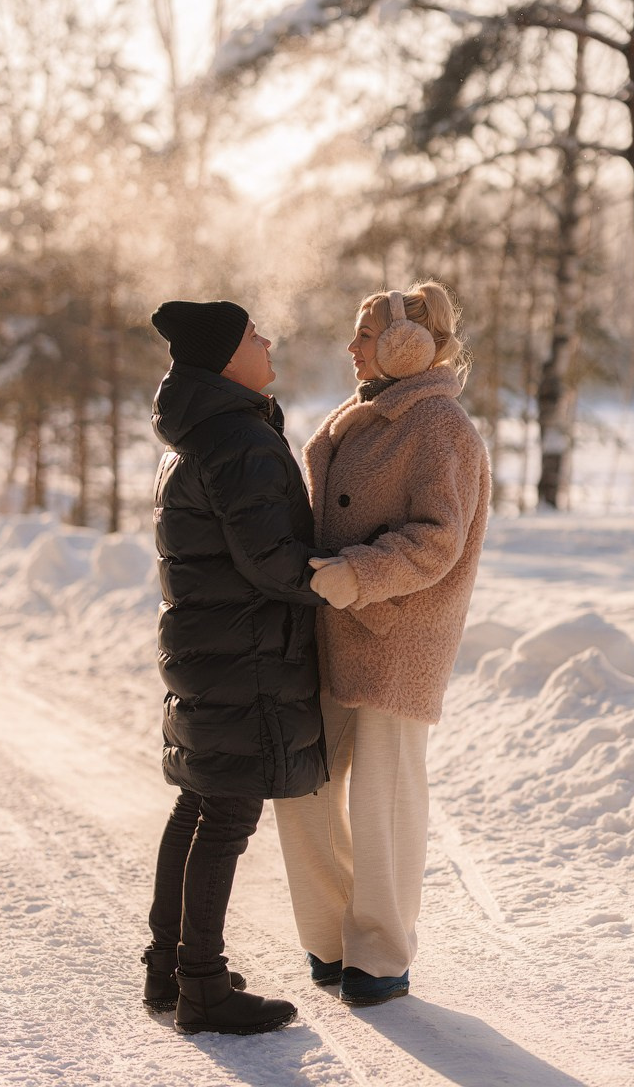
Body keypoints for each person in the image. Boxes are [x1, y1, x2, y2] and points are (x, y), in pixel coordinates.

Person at [274, 280, 490, 1006]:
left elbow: (439, 540)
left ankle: (381, 954)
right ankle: (334, 938)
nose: (352, 347)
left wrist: (358, 576)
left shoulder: (440, 428)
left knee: (384, 800)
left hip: (398, 636)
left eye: (365, 335)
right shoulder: (363, 413)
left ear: (409, 345)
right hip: (331, 628)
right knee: (303, 786)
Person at [143, 299, 328, 1036]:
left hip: (208, 652)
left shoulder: (193, 434)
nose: (269, 340)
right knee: (223, 816)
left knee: (197, 801)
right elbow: (273, 562)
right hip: (246, 653)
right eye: (254, 335)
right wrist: (348, 568)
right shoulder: (240, 440)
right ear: (226, 359)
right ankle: (203, 989)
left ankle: (170, 969)